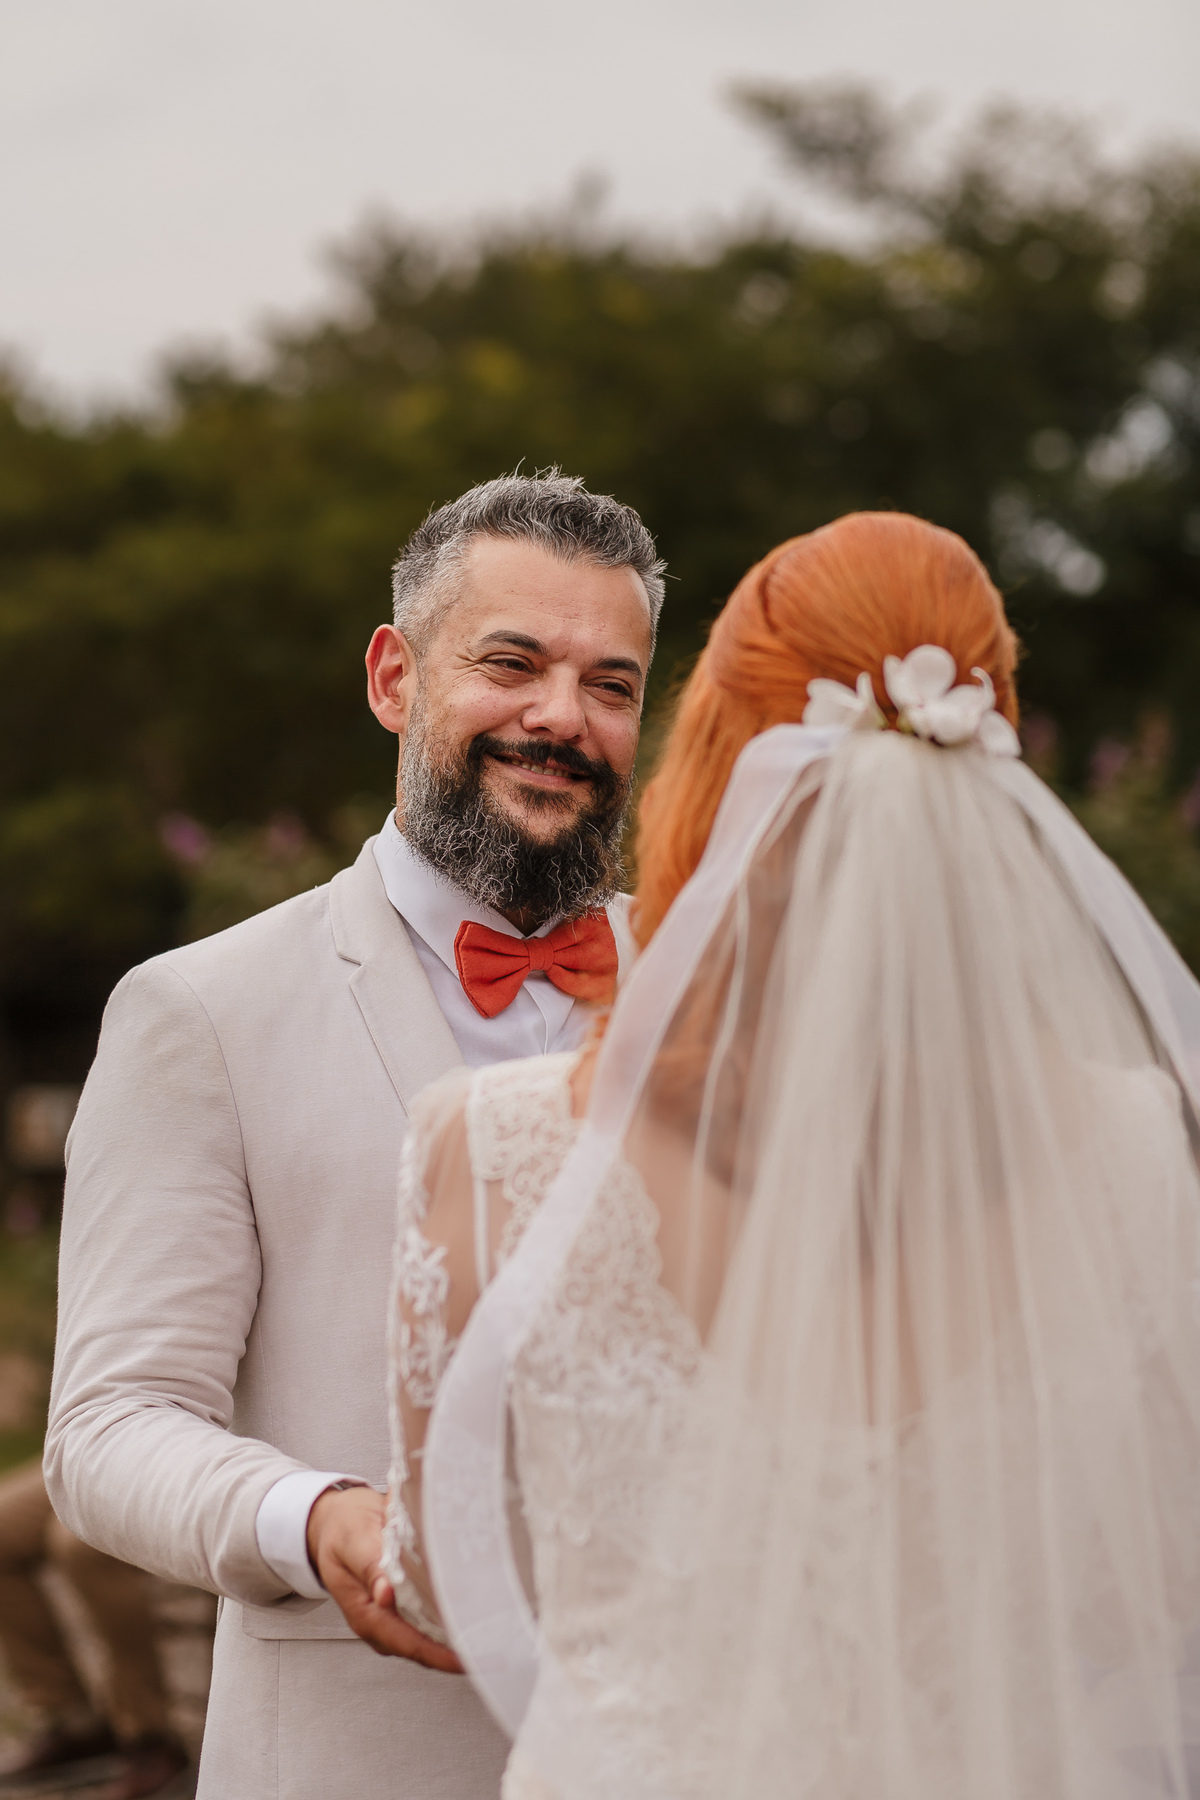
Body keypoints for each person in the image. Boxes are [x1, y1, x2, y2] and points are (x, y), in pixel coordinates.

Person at [383, 511, 1200, 1800]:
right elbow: (1154, 1587)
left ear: (708, 765)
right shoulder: (1151, 1144)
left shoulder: (493, 1148)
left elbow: (440, 1577)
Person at [44, 470, 665, 1800]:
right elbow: (108, 1428)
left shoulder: (726, 998)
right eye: (514, 664)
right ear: (395, 678)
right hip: (355, 1757)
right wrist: (312, 1520)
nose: (563, 718)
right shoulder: (202, 1012)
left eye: (611, 685)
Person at [0, 1461, 189, 1798]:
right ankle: (77, 1724)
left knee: (79, 1545)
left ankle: (149, 1735)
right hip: (94, 1451)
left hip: (177, 1456)